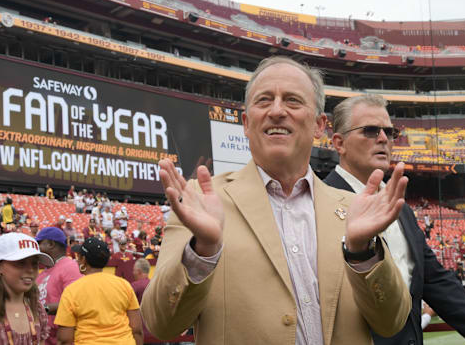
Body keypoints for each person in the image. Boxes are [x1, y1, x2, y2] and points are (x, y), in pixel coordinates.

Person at [142, 56, 412, 344]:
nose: (277, 111)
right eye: (264, 100)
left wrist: (362, 253)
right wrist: (202, 252)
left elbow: (391, 322)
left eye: (293, 101)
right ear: (246, 123)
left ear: (320, 125)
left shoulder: (351, 208)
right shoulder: (201, 201)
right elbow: (161, 324)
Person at [325, 94, 465, 345]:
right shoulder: (318, 204)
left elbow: (434, 279)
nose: (383, 138)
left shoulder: (401, 209)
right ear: (339, 143)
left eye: (389, 132)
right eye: (370, 131)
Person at [55, 237, 142, 345]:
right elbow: (137, 329)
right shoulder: (124, 285)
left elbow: (65, 339)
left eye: (79, 256)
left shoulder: (72, 291)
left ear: (83, 259)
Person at [35, 227, 82, 345]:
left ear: (50, 244)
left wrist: (43, 309)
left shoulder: (70, 267)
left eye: (39, 243)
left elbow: (77, 303)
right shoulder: (43, 273)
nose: (36, 248)